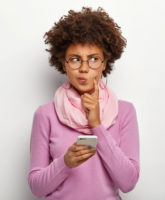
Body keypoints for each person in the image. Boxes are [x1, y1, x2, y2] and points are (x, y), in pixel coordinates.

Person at [28, 7, 140, 200]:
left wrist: (96, 125)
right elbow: (37, 189)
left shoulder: (125, 111)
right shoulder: (45, 114)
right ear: (63, 63)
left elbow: (128, 182)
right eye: (75, 59)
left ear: (105, 63)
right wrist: (65, 163)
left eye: (93, 59)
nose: (83, 68)